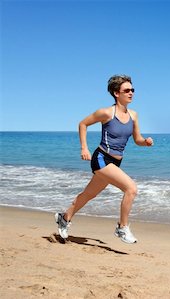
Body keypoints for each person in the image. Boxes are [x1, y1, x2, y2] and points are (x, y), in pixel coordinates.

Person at [55, 75, 153, 244]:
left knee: (88, 194)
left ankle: (64, 217)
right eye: (127, 90)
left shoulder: (134, 115)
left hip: (115, 162)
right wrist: (84, 147)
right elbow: (83, 124)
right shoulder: (106, 113)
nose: (131, 93)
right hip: (101, 158)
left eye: (132, 90)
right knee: (131, 189)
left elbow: (137, 139)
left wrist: (145, 142)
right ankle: (122, 227)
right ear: (116, 93)